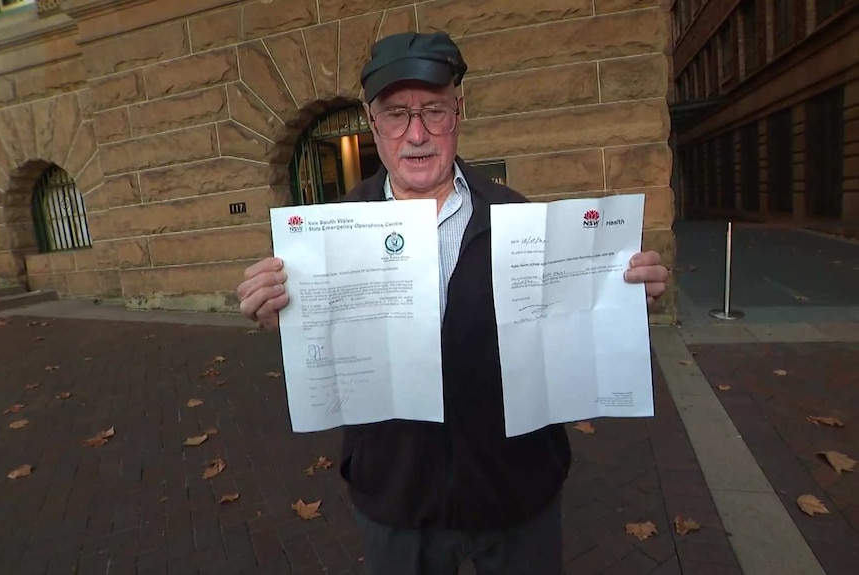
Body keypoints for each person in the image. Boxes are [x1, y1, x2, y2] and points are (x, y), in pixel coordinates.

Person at [237, 31, 669, 575]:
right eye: (396, 115)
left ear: (458, 112)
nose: (416, 134)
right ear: (373, 124)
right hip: (396, 495)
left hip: (514, 491)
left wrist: (624, 296)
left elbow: (567, 323)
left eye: (433, 111)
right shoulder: (328, 233)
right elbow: (323, 343)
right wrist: (282, 309)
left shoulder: (518, 219)